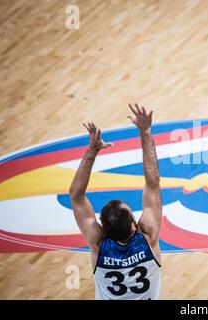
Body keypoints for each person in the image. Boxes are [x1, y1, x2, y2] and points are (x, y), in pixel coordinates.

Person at [69, 103, 162, 300]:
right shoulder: (147, 237)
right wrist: (145, 132)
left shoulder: (98, 242)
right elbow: (152, 183)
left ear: (103, 227)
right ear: (134, 225)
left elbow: (76, 196)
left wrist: (91, 151)